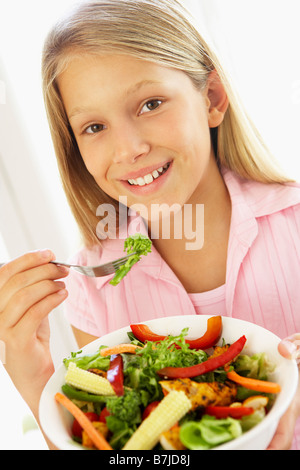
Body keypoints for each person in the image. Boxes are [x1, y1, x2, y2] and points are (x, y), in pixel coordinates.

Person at [0, 0, 299, 450]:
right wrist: (36, 377)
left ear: (212, 98)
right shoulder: (95, 286)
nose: (128, 149)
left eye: (150, 104)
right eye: (95, 126)